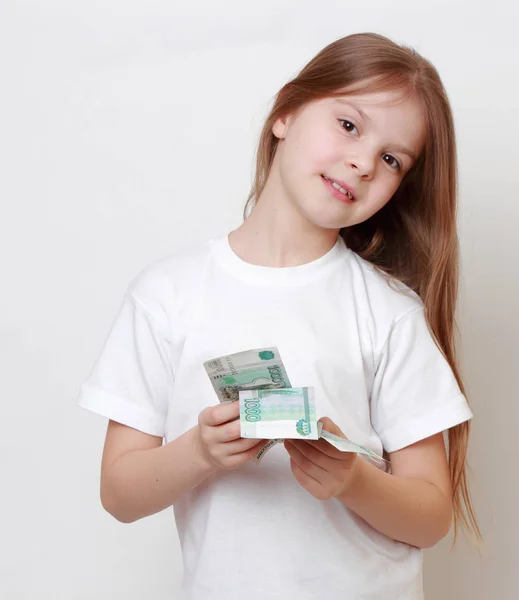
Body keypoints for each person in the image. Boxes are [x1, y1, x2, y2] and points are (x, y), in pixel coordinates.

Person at [77, 32, 482, 599]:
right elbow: (119, 494)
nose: (364, 161)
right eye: (349, 125)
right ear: (286, 112)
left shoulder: (389, 312)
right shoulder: (167, 293)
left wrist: (352, 477)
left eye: (392, 159)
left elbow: (431, 517)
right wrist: (199, 452)